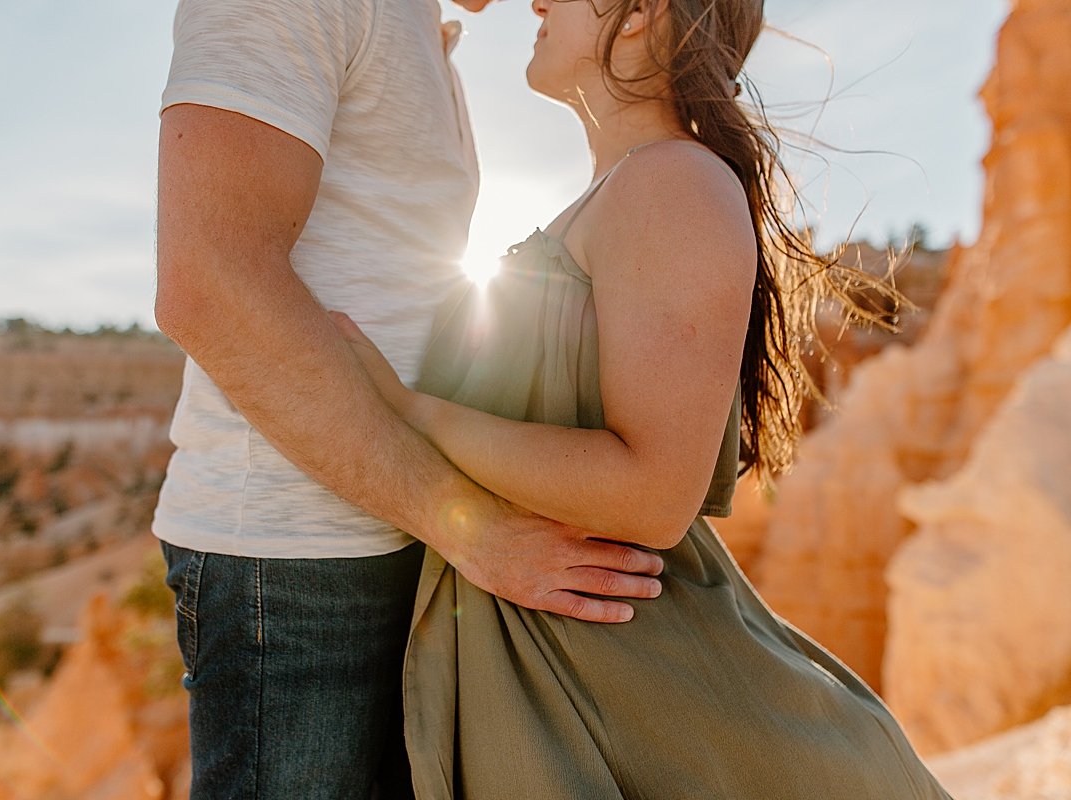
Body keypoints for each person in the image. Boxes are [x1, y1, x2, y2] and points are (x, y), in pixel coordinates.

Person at [330, 0, 957, 796]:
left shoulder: (674, 181)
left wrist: (417, 416)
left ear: (640, 14)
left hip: (639, 709)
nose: (538, 2)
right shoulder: (622, 193)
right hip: (581, 678)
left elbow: (654, 493)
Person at [151, 0, 670, 797]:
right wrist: (468, 526)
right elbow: (209, 284)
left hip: (400, 535)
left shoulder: (424, 32)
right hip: (295, 563)